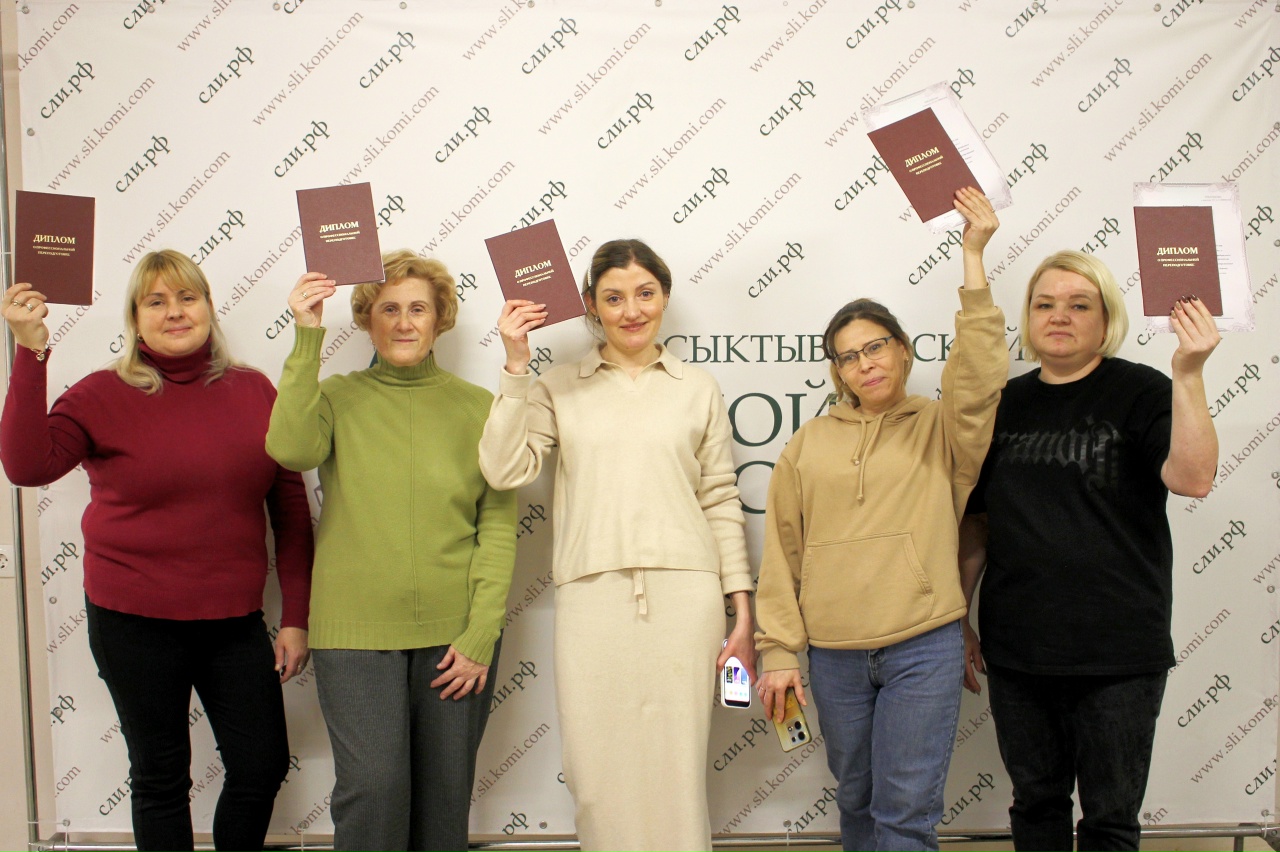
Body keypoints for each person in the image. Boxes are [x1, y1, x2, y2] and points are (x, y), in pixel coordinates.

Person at [0, 251, 313, 852]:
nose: (175, 312)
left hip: (233, 622)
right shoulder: (99, 394)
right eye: (156, 301)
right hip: (132, 623)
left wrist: (295, 617)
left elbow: (292, 513)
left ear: (209, 308)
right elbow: (26, 466)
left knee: (261, 764)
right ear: (135, 318)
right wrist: (30, 351)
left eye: (187, 297)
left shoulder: (255, 390)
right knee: (161, 777)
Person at [479, 238, 755, 852]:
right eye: (614, 297)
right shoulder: (556, 385)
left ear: (665, 296)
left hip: (686, 596)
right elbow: (503, 470)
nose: (632, 311)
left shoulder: (697, 387)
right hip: (591, 595)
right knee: (595, 773)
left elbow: (720, 499)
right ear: (590, 305)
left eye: (645, 294)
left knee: (676, 772)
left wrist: (741, 611)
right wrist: (516, 366)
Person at [755, 188, 1004, 852]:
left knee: (906, 811)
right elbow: (782, 554)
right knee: (858, 801)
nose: (865, 363)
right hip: (834, 655)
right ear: (837, 371)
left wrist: (973, 261)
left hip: (924, 644)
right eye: (849, 355)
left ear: (903, 351)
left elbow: (979, 379)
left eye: (876, 347)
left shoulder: (943, 428)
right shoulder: (807, 446)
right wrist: (777, 650)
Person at [958, 250, 1220, 852]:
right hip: (1019, 649)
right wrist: (959, 615)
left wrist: (1189, 372)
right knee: (1036, 806)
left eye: (1079, 305)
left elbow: (1193, 478)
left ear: (1106, 320)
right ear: (1028, 317)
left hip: (1118, 652)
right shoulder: (1003, 403)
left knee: (1109, 820)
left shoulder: (1143, 391)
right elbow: (977, 523)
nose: (1059, 316)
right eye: (1045, 304)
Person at [265, 250, 516, 852]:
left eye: (418, 309)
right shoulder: (334, 397)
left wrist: (481, 633)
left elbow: (498, 525)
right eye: (389, 309)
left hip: (456, 639)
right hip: (354, 635)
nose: (404, 322)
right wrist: (306, 335)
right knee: (373, 792)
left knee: (443, 803)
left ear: (440, 320)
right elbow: (290, 448)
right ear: (367, 320)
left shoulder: (479, 407)